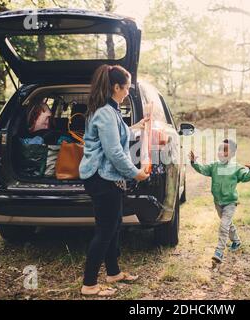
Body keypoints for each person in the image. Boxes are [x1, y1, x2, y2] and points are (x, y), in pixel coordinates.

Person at [79, 64, 150, 297]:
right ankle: (89, 284)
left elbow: (119, 135)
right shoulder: (104, 113)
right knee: (105, 230)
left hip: (108, 177)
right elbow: (114, 152)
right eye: (126, 88)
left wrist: (137, 127)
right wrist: (135, 173)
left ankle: (113, 272)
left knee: (114, 225)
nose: (128, 92)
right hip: (102, 178)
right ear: (116, 87)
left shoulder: (110, 111)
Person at [189, 139, 250, 263]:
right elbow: (202, 169)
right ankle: (236, 241)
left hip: (230, 202)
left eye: (224, 150)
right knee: (227, 224)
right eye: (219, 149)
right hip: (218, 202)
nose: (221, 152)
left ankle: (219, 251)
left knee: (223, 226)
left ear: (232, 153)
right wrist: (194, 162)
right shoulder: (214, 166)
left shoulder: (236, 168)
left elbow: (246, 177)